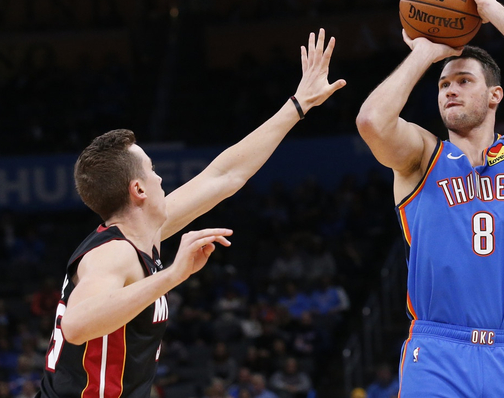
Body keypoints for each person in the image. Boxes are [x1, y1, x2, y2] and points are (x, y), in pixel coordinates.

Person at [37, 29, 345, 398]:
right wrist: (173, 275)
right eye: (151, 170)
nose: (159, 177)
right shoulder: (113, 254)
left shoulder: (143, 234)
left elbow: (225, 175)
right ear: (138, 190)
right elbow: (76, 325)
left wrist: (298, 105)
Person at [356, 0, 504, 397]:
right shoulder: (422, 157)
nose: (449, 90)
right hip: (437, 351)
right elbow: (372, 121)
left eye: (463, 81)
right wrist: (423, 54)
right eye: (443, 84)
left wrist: (492, 10)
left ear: (495, 96)